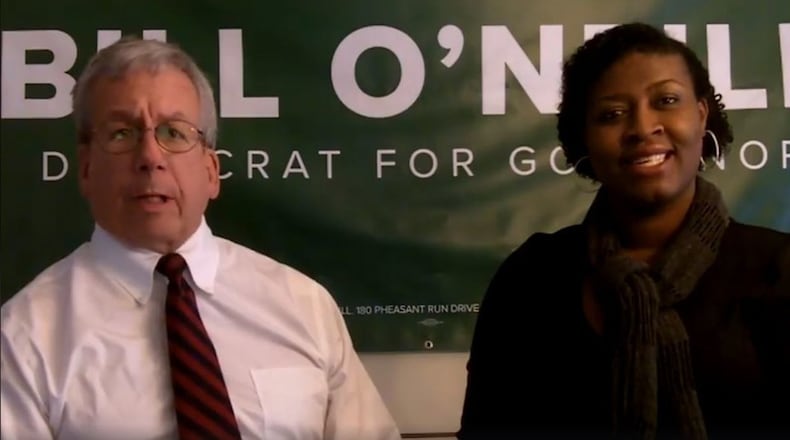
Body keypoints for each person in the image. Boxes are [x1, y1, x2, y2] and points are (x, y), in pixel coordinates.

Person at [0, 37, 401, 440]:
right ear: (85, 168)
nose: (150, 157)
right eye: (122, 133)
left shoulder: (304, 306)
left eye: (174, 133)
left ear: (211, 170)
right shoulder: (24, 339)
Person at [457, 22, 790, 439]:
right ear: (585, 139)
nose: (642, 128)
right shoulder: (531, 278)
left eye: (666, 100)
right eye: (612, 114)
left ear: (701, 114)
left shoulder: (778, 267)